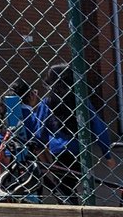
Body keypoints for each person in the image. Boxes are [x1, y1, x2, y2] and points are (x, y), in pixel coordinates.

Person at [28, 63, 112, 199]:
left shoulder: (48, 101)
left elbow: (40, 129)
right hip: (79, 150)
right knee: (82, 182)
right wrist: (106, 153)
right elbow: (98, 126)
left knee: (64, 188)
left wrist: (38, 146)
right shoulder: (81, 100)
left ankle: (71, 210)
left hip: (58, 151)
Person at [0, 78, 37, 182]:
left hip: (8, 161)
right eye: (34, 92)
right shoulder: (32, 116)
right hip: (30, 161)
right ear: (30, 95)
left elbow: (1, 142)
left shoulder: (9, 115)